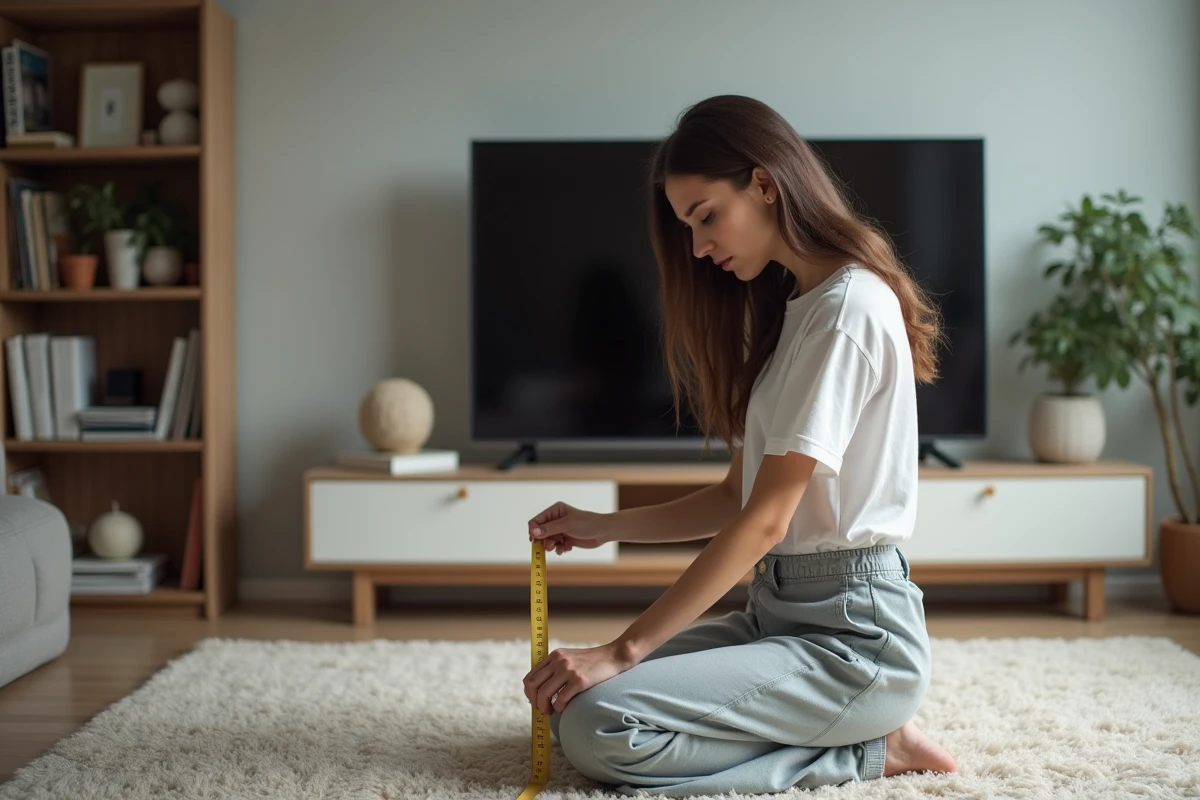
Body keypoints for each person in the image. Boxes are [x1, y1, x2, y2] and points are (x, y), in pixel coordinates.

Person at [521, 94, 958, 796]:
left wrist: (621, 648)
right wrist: (602, 526)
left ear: (762, 183)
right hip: (775, 615)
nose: (698, 248)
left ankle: (865, 751)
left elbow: (765, 520)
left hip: (855, 641)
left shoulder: (848, 311)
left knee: (603, 728)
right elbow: (735, 496)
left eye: (705, 217)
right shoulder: (790, 313)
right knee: (577, 708)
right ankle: (847, 726)